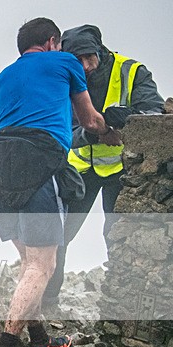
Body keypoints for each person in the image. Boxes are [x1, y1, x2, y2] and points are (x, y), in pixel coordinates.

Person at [0, 18, 113, 347]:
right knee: (42, 266)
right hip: (38, 165)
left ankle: (39, 339)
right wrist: (107, 130)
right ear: (53, 41)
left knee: (29, 263)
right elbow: (88, 119)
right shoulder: (64, 62)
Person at [42, 25, 164, 308]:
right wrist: (93, 132)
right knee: (58, 238)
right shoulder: (62, 78)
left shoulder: (131, 71)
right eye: (77, 60)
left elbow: (154, 112)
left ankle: (120, 305)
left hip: (123, 173)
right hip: (79, 172)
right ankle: (49, 303)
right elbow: (56, 131)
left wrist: (126, 117)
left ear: (101, 50)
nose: (85, 67)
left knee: (119, 236)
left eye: (89, 58)